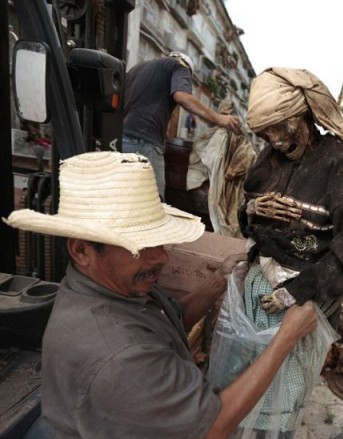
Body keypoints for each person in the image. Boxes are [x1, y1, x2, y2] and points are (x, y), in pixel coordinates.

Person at [2, 151, 317, 439]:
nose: (161, 258)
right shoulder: (119, 355)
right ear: (82, 250)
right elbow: (215, 427)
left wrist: (217, 283)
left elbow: (168, 319)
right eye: (140, 247)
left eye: (160, 241)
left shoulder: (107, 290)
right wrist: (285, 338)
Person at [213, 67, 343, 436]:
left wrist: (293, 293)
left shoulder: (339, 161)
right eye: (265, 133)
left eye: (281, 127)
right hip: (256, 293)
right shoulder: (268, 157)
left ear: (303, 116)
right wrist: (252, 209)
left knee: (282, 394)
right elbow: (246, 224)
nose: (275, 140)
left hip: (300, 303)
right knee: (244, 382)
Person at [122, 52, 240, 198]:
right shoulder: (180, 66)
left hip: (121, 139)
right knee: (154, 204)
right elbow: (182, 96)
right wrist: (218, 118)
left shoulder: (138, 68)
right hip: (144, 143)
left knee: (124, 199)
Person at [187, 99, 256, 238]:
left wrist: (230, 172)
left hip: (229, 188)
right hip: (211, 188)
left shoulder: (238, 137)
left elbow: (245, 160)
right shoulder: (211, 136)